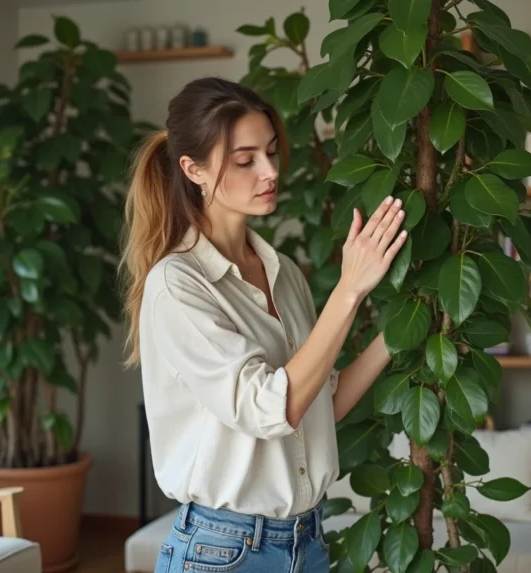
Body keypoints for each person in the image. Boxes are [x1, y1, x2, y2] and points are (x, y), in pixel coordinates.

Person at [119, 77, 408, 573]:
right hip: (224, 552)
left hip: (307, 542)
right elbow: (271, 408)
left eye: (271, 152)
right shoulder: (178, 285)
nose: (271, 171)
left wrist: (401, 331)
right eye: (245, 159)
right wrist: (349, 289)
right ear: (194, 169)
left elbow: (321, 403)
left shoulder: (284, 272)